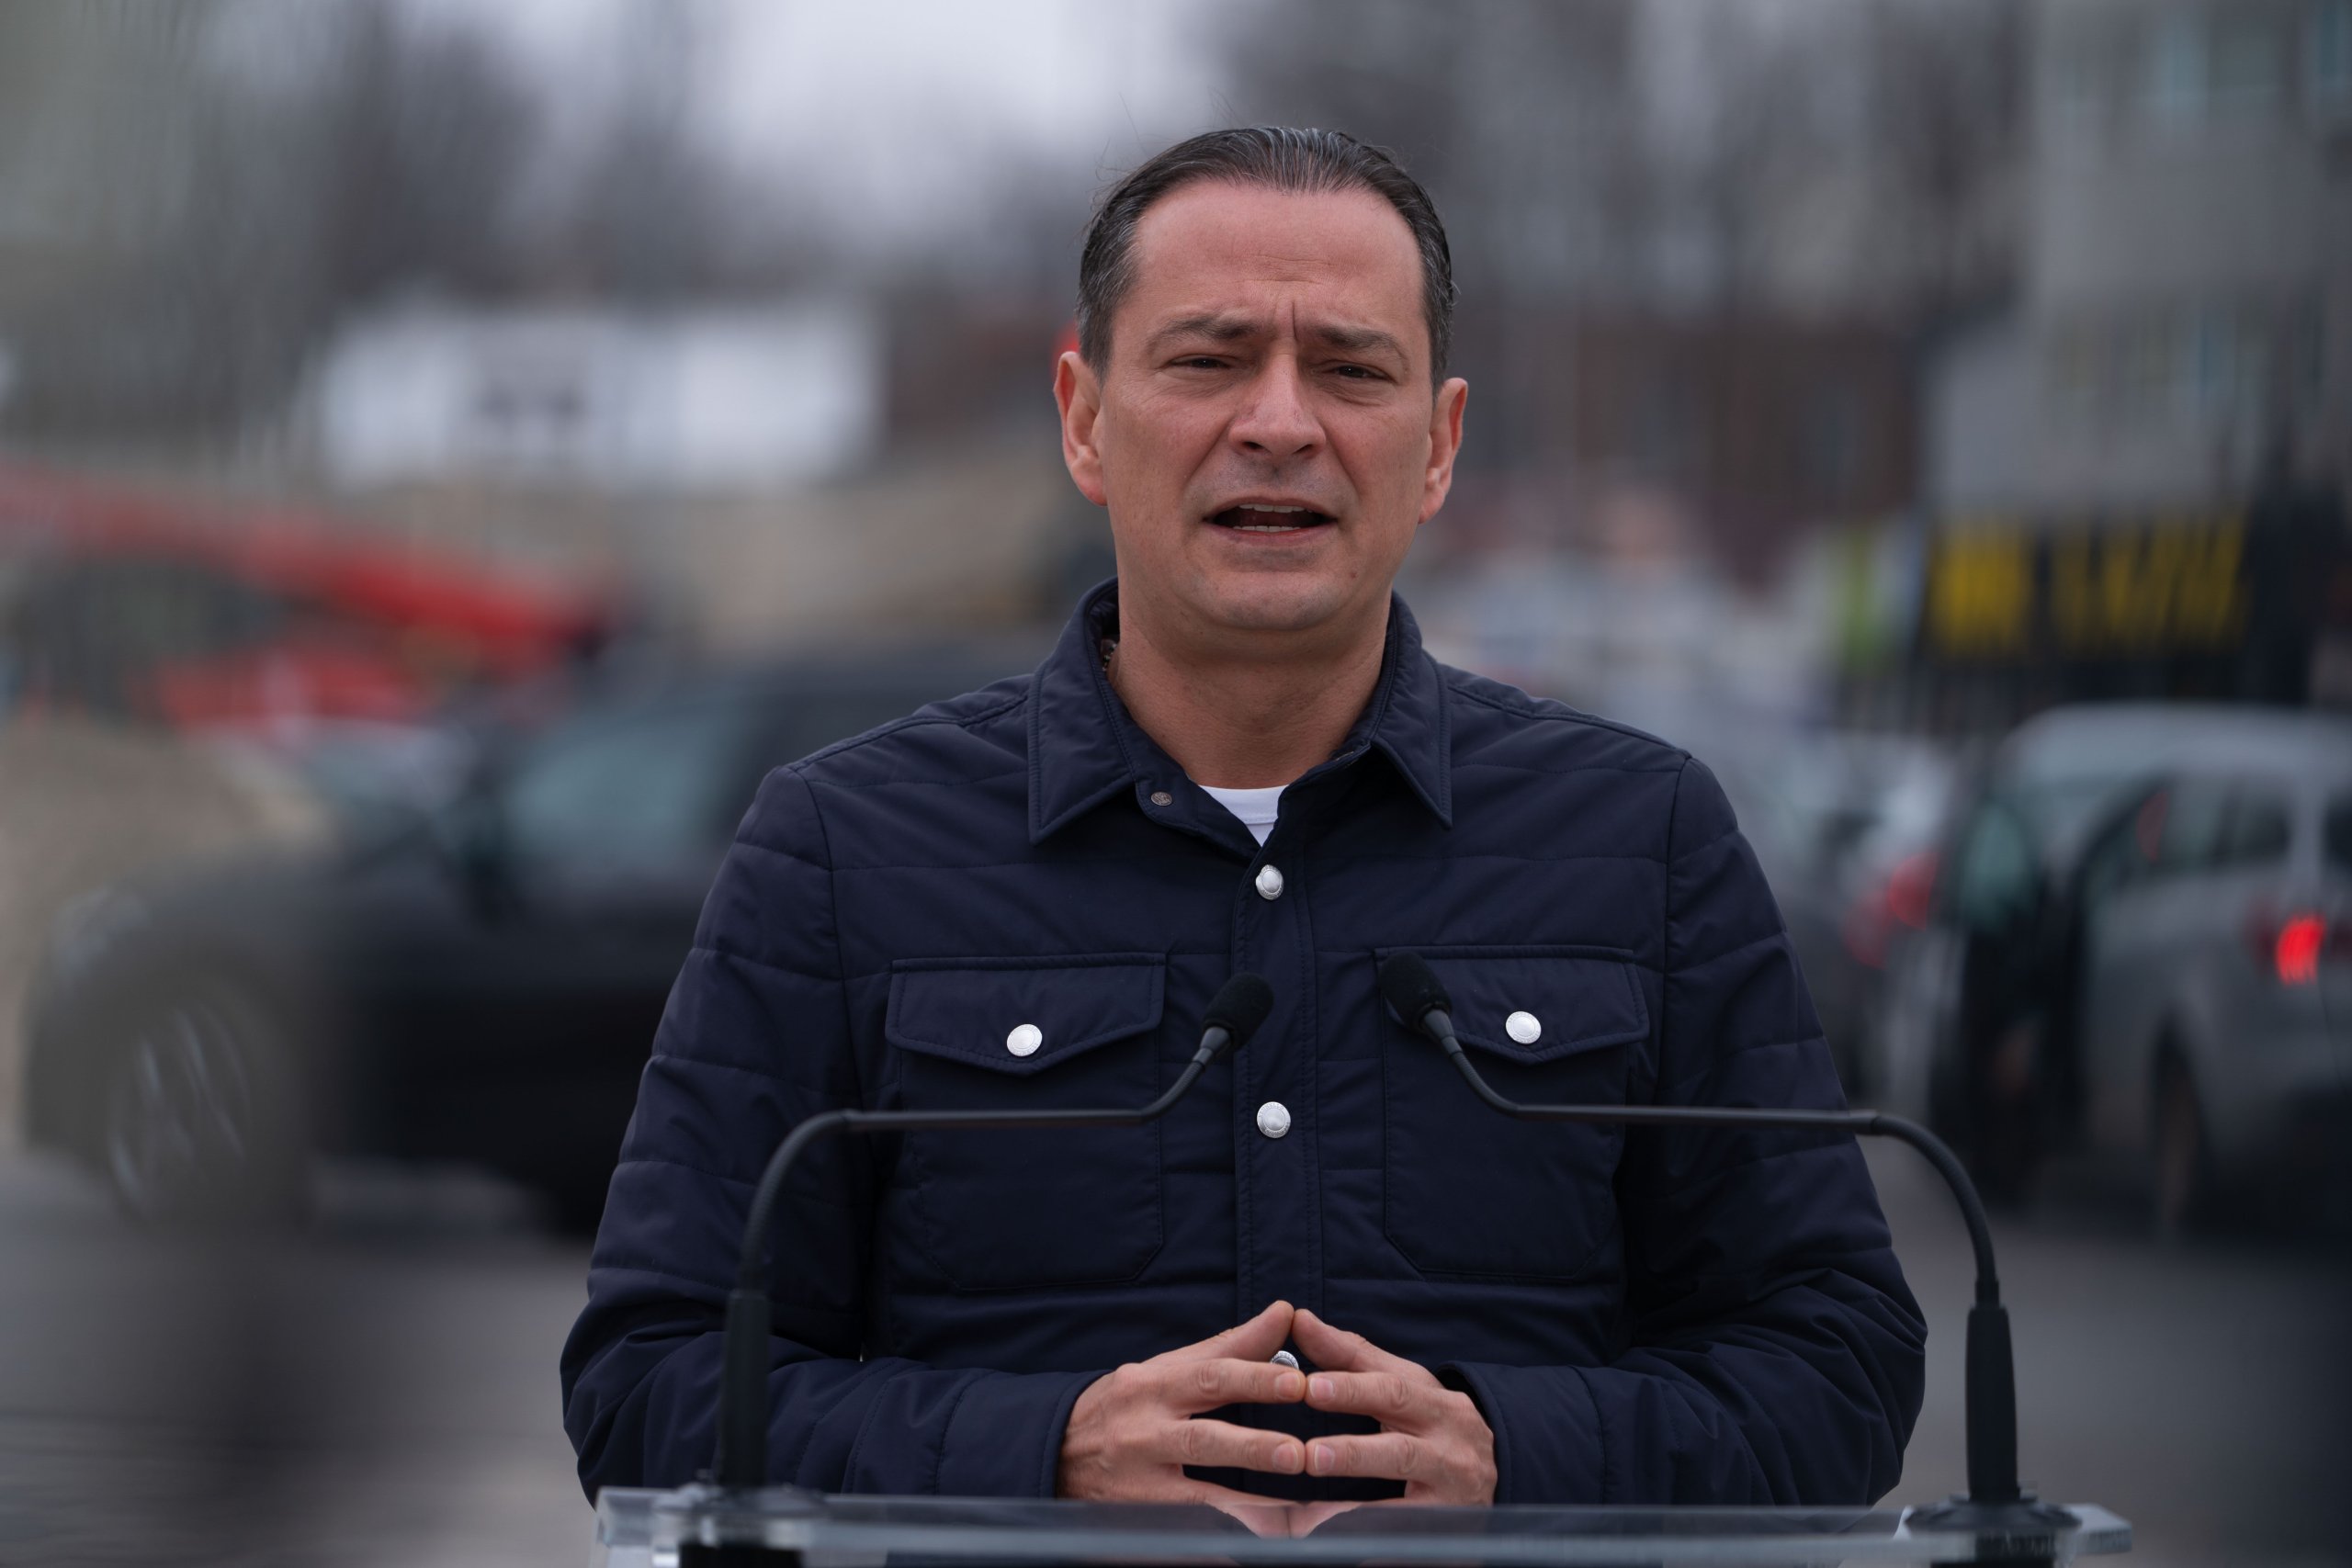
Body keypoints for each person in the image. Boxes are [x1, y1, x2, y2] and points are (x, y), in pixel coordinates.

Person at [561, 127, 1925, 1510]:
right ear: (1084, 418)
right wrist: (1041, 1455)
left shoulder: (1645, 840)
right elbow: (650, 1385)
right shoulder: (841, 849)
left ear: (1440, 443)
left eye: (1351, 369)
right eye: (1209, 361)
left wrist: (1513, 1454)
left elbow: (1839, 1367)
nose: (1280, 424)